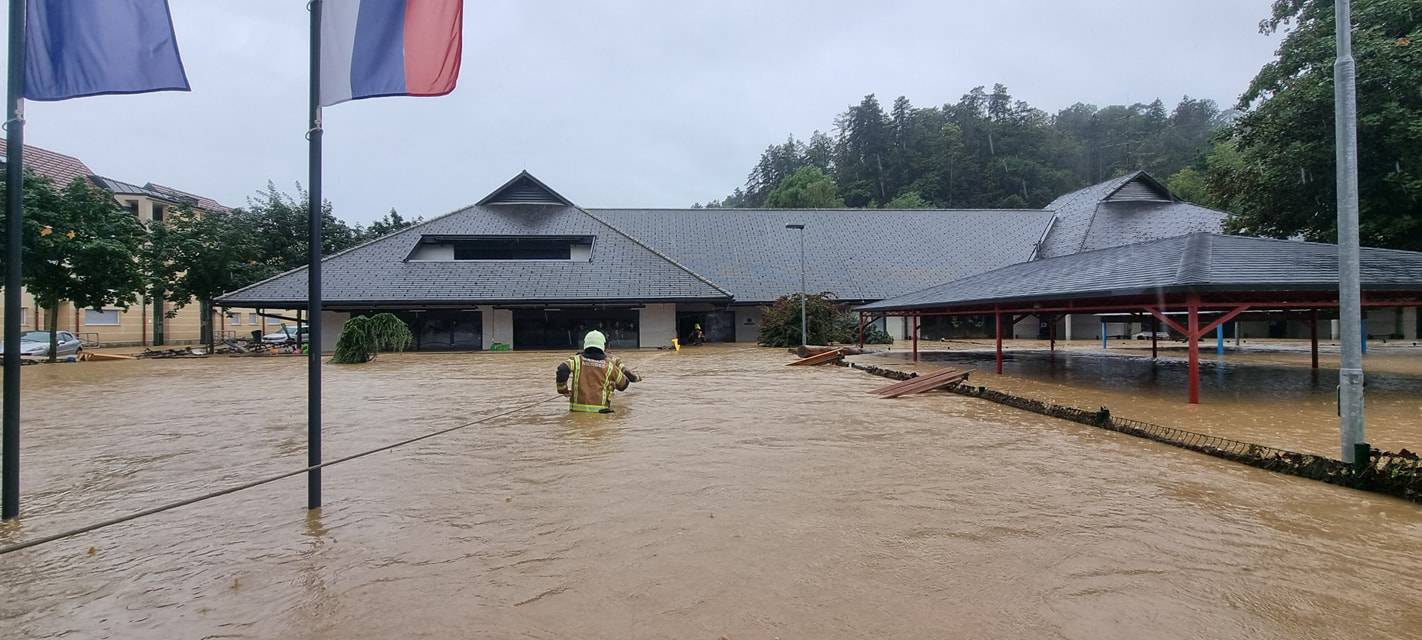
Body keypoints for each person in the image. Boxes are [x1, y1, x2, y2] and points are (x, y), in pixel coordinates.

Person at [556, 330, 640, 413]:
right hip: (601, 413)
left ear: (585, 344)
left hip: (576, 411)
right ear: (603, 346)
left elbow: (562, 369)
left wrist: (563, 389)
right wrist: (613, 385)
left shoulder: (576, 360)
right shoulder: (610, 364)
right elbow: (624, 384)